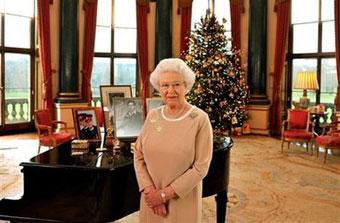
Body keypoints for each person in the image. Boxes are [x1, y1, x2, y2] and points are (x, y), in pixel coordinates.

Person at [134, 58, 213, 222]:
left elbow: (200, 167)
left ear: (186, 86)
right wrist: (150, 192)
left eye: (176, 84)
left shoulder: (200, 119)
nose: (170, 91)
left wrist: (163, 195)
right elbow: (138, 155)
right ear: (159, 88)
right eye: (165, 85)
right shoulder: (153, 116)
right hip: (151, 202)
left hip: (181, 202)